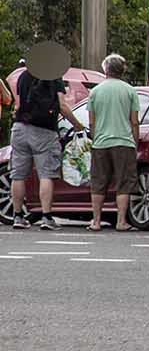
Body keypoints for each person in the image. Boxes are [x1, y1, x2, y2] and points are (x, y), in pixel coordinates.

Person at [10, 63, 86, 230]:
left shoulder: (23, 76)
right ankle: (46, 217)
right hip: (45, 131)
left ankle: (18, 216)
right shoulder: (54, 78)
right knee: (46, 174)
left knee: (18, 174)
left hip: (20, 128)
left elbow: (18, 105)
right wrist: (78, 124)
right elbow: (63, 106)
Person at [87, 54, 140, 232]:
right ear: (122, 70)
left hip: (100, 143)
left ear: (106, 69)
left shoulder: (95, 92)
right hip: (124, 142)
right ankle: (121, 221)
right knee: (124, 182)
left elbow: (92, 122)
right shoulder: (130, 91)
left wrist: (95, 138)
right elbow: (134, 121)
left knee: (98, 182)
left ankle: (96, 221)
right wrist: (135, 141)